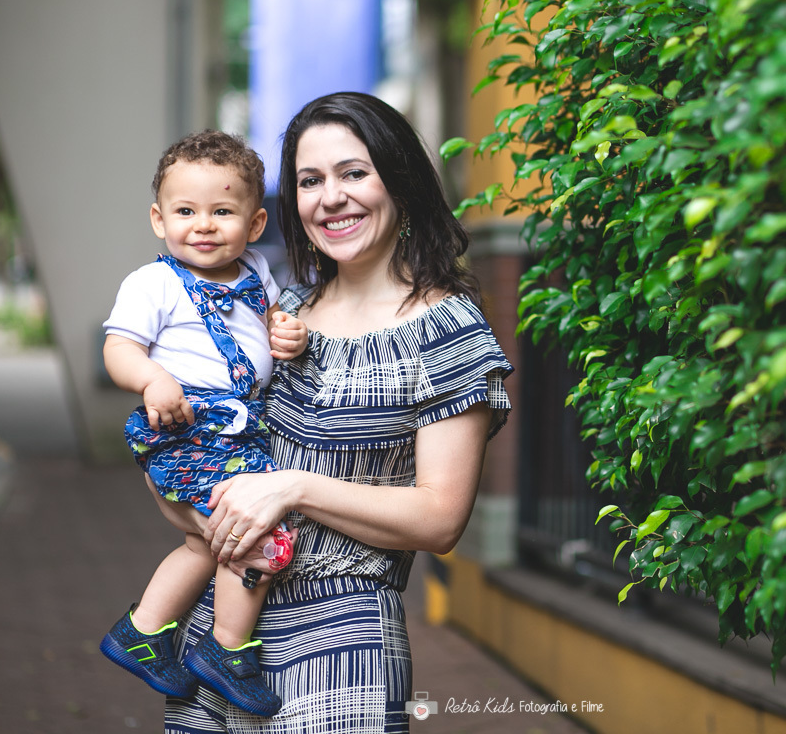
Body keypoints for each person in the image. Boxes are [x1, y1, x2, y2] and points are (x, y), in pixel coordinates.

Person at [156, 92, 513, 733]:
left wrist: (292, 487)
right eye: (310, 180)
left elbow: (440, 519)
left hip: (343, 645)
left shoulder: (448, 329)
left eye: (355, 173)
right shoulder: (285, 308)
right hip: (222, 632)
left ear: (398, 181)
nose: (331, 198)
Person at [100, 130, 308, 718]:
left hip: (240, 436)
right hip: (187, 434)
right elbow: (118, 349)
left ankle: (143, 630)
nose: (204, 224)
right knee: (258, 544)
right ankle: (226, 649)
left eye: (223, 211)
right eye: (186, 211)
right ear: (158, 219)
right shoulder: (154, 283)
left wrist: (287, 334)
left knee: (203, 541)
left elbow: (271, 326)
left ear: (256, 222)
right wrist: (150, 379)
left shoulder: (256, 274)